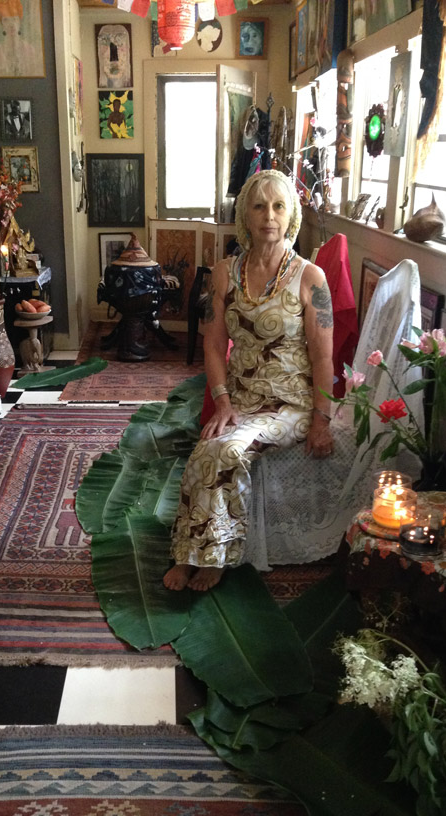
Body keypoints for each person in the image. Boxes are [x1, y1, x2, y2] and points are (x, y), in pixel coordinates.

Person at [163, 169, 334, 592]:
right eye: (259, 206)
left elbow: (324, 355)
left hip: (288, 403)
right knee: (205, 448)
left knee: (226, 450)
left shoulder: (312, 278)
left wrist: (321, 419)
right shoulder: (224, 273)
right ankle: (186, 554)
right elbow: (213, 343)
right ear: (245, 214)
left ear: (291, 214)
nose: (269, 216)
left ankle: (215, 556)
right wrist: (222, 402)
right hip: (239, 398)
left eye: (278, 206)